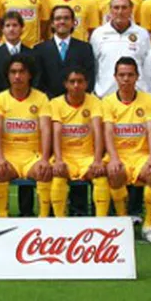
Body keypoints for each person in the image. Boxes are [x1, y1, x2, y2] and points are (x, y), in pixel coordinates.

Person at [101, 58, 151, 243]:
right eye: (122, 75)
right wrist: (113, 158)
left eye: (130, 75)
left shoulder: (149, 101)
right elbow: (108, 131)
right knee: (115, 172)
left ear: (137, 77)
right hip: (119, 155)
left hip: (141, 156)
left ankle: (148, 226)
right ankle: (123, 224)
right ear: (115, 77)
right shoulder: (107, 102)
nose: (126, 79)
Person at [0, 54, 52, 218]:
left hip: (32, 156)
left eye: (22, 72)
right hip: (9, 156)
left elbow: (46, 129)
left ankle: (44, 219)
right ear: (8, 75)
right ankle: (2, 218)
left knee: (44, 171)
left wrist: (44, 158)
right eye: (13, 72)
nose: (17, 76)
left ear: (30, 74)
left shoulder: (41, 98)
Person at [49, 67, 109, 217]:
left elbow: (97, 130)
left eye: (80, 81)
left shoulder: (94, 101)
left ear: (86, 84)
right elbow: (56, 132)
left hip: (87, 157)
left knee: (100, 177)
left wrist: (97, 160)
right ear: (65, 84)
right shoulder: (55, 103)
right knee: (58, 177)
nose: (76, 85)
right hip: (66, 157)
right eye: (72, 81)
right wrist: (58, 160)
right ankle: (59, 222)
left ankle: (101, 222)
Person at [90, 0, 151, 97]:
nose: (120, 12)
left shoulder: (142, 34)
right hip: (105, 95)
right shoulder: (98, 34)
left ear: (131, 10)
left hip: (136, 96)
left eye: (124, 7)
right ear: (110, 10)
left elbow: (148, 66)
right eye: (116, 7)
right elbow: (94, 65)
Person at [33, 6, 96, 98]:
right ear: (52, 23)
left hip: (77, 101)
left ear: (73, 22)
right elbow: (37, 81)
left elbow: (89, 78)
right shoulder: (39, 50)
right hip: (48, 102)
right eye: (58, 18)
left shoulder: (85, 48)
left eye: (66, 18)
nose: (62, 22)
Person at [0, 11, 38, 97]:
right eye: (7, 26)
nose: (11, 29)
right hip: (1, 103)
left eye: (15, 25)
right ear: (2, 30)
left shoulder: (33, 55)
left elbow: (36, 82)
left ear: (22, 29)